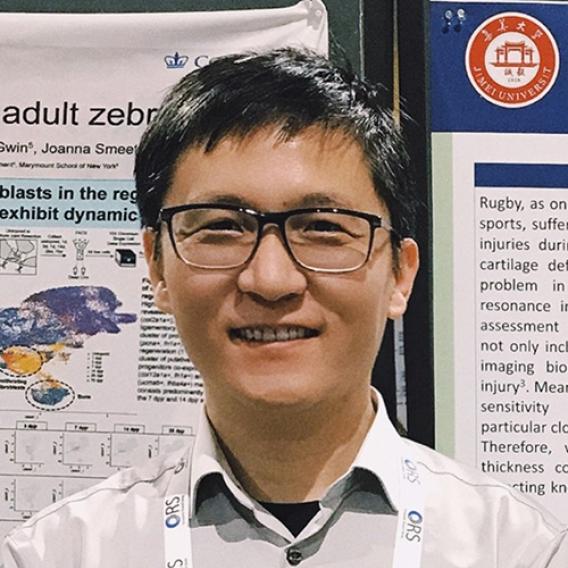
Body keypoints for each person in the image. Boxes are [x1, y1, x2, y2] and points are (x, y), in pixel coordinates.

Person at [2, 48, 567, 568]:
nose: (270, 280)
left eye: (323, 228)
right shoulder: (60, 552)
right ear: (157, 266)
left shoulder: (516, 549)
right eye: (221, 227)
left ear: (400, 273)